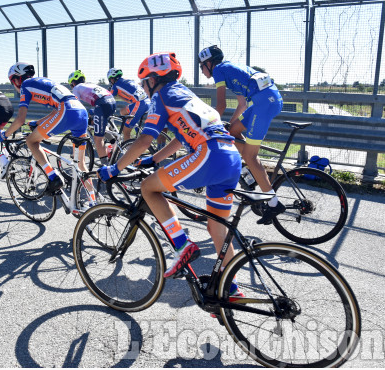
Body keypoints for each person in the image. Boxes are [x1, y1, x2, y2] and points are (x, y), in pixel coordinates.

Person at [98, 52, 244, 299]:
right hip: (230, 156)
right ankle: (231, 290)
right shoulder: (185, 93)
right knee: (216, 227)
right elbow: (180, 136)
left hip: (209, 154)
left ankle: (181, 244)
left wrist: (115, 168)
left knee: (148, 187)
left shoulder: (161, 96)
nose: (143, 87)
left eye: (144, 82)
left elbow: (145, 138)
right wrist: (155, 159)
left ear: (153, 79)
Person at [198, 45, 285, 225]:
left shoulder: (219, 71)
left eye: (201, 66)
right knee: (233, 131)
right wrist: (229, 124)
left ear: (209, 63)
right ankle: (251, 169)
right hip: (266, 99)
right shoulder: (230, 71)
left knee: (249, 156)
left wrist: (207, 126)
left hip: (264, 103)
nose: (201, 70)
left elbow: (220, 105)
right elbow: (241, 104)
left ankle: (273, 203)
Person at [0, 62, 95, 202]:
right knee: (81, 164)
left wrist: (4, 135)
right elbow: (56, 110)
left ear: (18, 79)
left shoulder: (25, 85)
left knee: (31, 141)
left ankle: (54, 177)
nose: (14, 84)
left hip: (66, 110)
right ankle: (94, 203)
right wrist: (38, 123)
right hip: (80, 112)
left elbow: (19, 120)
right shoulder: (43, 81)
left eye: (13, 81)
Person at [67, 70, 116, 166]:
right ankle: (113, 142)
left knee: (98, 139)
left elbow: (76, 106)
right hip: (111, 101)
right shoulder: (88, 84)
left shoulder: (76, 88)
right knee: (93, 119)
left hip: (102, 104)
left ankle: (105, 167)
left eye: (71, 85)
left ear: (73, 83)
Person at [107, 68, 151, 141]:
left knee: (126, 131)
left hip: (139, 104)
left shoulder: (116, 86)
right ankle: (137, 129)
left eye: (110, 80)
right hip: (146, 101)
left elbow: (107, 97)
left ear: (112, 79)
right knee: (122, 111)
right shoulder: (127, 81)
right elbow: (129, 98)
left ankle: (127, 150)